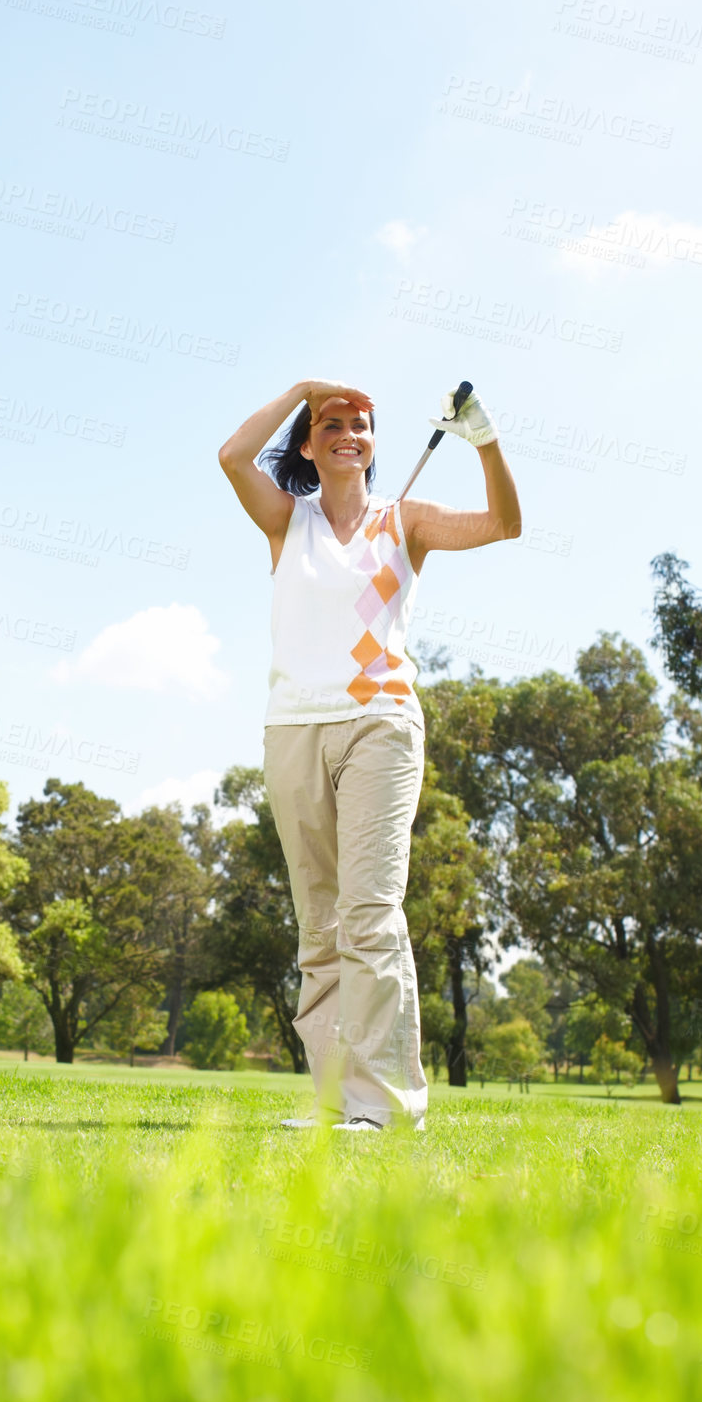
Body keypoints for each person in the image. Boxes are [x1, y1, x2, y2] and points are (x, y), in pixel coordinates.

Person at [218, 379, 521, 1130]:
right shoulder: (288, 521)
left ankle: (385, 1106)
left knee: (369, 912)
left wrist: (484, 440)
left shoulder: (405, 520)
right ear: (310, 444)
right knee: (319, 927)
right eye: (332, 424)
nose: (349, 432)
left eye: (362, 425)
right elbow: (231, 455)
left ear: (375, 445)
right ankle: (332, 1102)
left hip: (379, 724)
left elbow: (505, 525)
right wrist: (300, 390)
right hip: (293, 728)